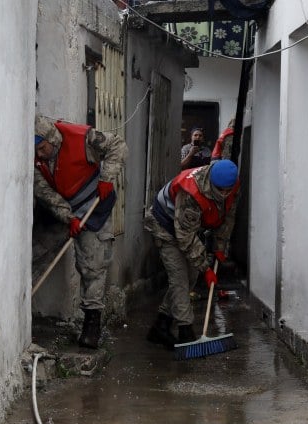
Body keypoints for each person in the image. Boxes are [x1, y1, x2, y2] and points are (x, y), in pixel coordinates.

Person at [33, 115, 127, 349]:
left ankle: (91, 324)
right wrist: (68, 216)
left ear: (52, 139)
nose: (40, 154)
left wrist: (107, 179)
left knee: (92, 266)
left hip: (94, 205)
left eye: (42, 148)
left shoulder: (81, 138)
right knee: (36, 254)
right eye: (36, 150)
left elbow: (118, 145)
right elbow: (43, 191)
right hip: (61, 209)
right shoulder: (33, 158)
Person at [143, 160, 240, 348]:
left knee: (191, 276)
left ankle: (161, 325)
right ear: (212, 183)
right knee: (180, 278)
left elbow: (228, 215)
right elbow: (184, 236)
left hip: (188, 228)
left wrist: (220, 246)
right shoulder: (191, 192)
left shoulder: (230, 185)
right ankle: (185, 332)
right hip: (165, 226)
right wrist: (206, 268)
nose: (225, 194)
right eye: (221, 190)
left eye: (228, 190)